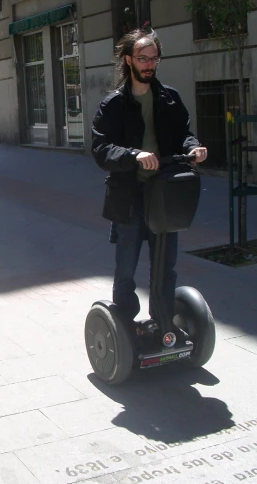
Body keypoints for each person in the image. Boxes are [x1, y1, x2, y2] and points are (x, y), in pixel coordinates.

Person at [91, 28, 208, 332]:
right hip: (129, 196)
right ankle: (125, 326)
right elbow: (101, 149)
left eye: (154, 58)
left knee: (165, 267)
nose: (149, 64)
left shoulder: (169, 98)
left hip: (165, 196)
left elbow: (184, 133)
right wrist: (133, 155)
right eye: (143, 58)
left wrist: (193, 147)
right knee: (126, 268)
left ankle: (164, 321)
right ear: (129, 59)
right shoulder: (114, 104)